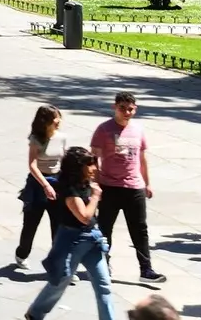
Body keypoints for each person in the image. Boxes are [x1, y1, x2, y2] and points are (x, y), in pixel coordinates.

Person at [24, 146, 114, 320]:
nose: (94, 169)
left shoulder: (86, 183)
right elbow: (84, 217)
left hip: (92, 240)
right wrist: (96, 197)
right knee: (60, 282)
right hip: (73, 241)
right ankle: (35, 313)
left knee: (104, 285)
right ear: (79, 167)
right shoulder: (70, 191)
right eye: (90, 165)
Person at [92, 89, 166, 282]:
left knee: (140, 230)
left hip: (134, 187)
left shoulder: (138, 130)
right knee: (105, 229)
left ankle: (146, 270)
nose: (126, 112)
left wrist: (147, 183)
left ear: (135, 109)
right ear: (114, 107)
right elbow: (93, 160)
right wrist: (96, 185)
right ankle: (103, 264)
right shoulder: (104, 129)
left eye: (130, 109)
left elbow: (142, 159)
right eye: (122, 108)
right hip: (110, 187)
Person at [16, 104, 67, 273]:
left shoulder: (62, 137)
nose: (58, 121)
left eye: (59, 118)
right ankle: (22, 253)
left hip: (57, 182)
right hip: (38, 184)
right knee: (31, 224)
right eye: (55, 119)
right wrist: (45, 185)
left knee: (58, 225)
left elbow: (63, 161)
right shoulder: (36, 139)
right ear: (46, 121)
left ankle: (59, 262)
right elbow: (32, 165)